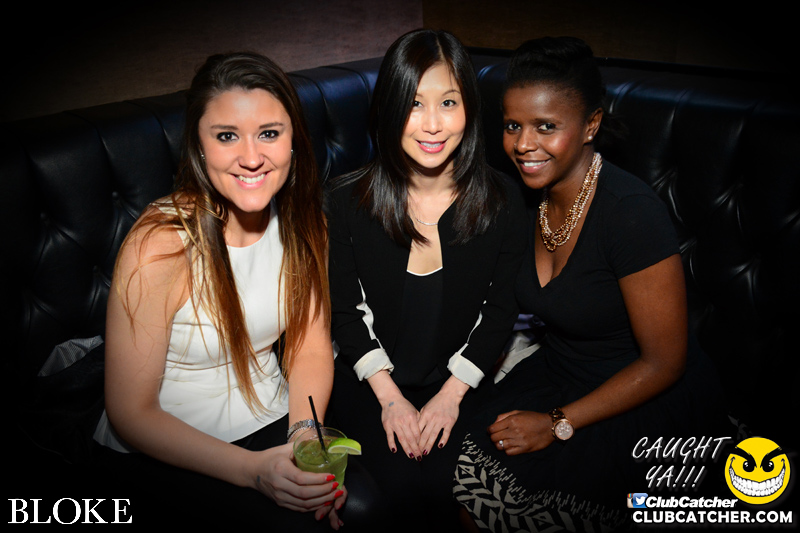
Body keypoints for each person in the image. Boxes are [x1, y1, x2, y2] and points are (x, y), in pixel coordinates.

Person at [454, 37, 732, 532]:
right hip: (560, 371)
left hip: (640, 394)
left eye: (546, 126)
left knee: (510, 513)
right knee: (455, 480)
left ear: (591, 125)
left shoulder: (630, 214)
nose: (523, 144)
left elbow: (665, 363)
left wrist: (558, 423)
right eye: (513, 125)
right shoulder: (524, 199)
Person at [91, 52, 345, 530]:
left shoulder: (308, 224)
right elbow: (131, 413)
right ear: (199, 146)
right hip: (166, 443)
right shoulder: (160, 243)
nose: (251, 157)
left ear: (294, 139)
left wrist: (303, 438)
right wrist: (253, 472)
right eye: (227, 135)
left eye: (269, 133)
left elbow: (310, 347)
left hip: (272, 416)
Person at [326, 29, 526, 530]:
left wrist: (451, 395)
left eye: (449, 102)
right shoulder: (345, 201)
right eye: (414, 104)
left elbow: (501, 311)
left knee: (449, 486)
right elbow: (344, 312)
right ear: (388, 109)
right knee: (396, 487)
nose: (433, 124)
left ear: (470, 110)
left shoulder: (504, 200)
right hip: (368, 380)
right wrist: (390, 399)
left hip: (460, 380)